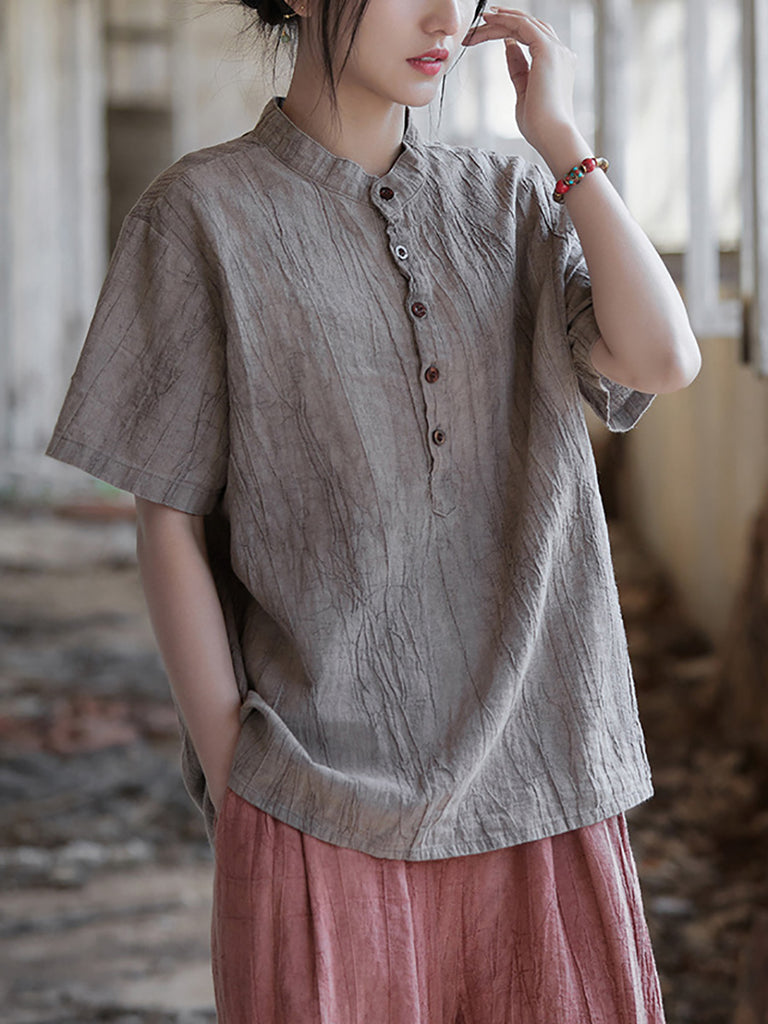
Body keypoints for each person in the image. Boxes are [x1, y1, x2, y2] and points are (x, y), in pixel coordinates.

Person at [46, 0, 701, 1020]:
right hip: (318, 805)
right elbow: (166, 512)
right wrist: (237, 777)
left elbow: (664, 358)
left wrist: (563, 142)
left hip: (547, 781)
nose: (444, 16)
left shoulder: (510, 198)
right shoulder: (200, 214)